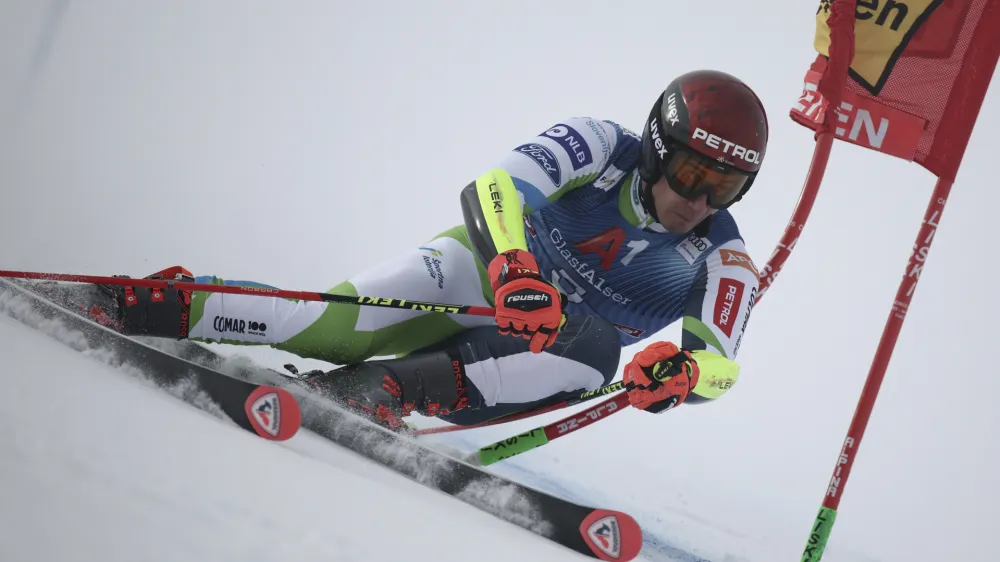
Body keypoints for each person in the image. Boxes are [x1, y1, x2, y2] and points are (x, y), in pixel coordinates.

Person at [51, 69, 767, 431]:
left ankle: (380, 393)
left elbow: (721, 367)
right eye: (691, 173)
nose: (699, 200)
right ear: (659, 147)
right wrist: (513, 267)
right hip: (478, 278)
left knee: (597, 348)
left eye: (725, 187)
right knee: (326, 327)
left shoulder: (723, 258)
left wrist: (683, 373)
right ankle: (147, 301)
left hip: (530, 360)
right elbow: (496, 186)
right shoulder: (601, 144)